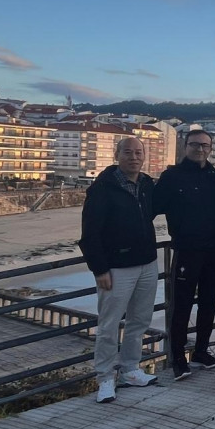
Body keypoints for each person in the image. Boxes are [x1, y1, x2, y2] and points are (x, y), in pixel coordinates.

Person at [79, 136, 159, 403]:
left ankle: (130, 370)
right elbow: (90, 233)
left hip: (147, 263)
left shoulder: (147, 184)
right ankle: (104, 378)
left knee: (139, 321)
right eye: (128, 152)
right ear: (117, 155)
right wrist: (99, 268)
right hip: (115, 268)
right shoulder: (103, 188)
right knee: (109, 325)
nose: (134, 157)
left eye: (138, 152)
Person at [153, 130, 215, 380]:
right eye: (195, 145)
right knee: (181, 305)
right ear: (186, 146)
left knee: (209, 302)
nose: (200, 149)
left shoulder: (213, 175)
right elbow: (152, 208)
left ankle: (201, 352)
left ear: (210, 149)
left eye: (205, 146)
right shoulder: (171, 176)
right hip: (186, 250)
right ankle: (177, 359)